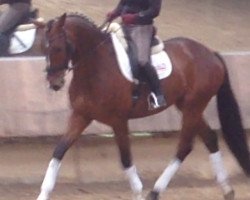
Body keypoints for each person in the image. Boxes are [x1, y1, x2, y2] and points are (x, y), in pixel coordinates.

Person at [106, 0, 166, 110]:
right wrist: (114, 13)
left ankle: (158, 95)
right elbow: (123, 4)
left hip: (142, 27)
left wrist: (136, 17)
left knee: (141, 61)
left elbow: (154, 11)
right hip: (124, 25)